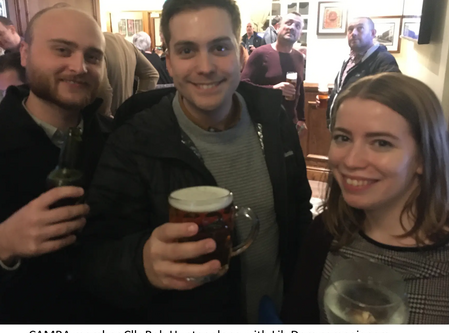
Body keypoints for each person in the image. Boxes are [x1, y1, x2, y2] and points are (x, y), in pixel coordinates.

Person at [80, 0, 311, 324]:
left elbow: (299, 209)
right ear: (169, 62)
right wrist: (140, 263)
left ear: (240, 54)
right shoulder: (134, 140)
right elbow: (93, 257)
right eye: (187, 51)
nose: (205, 66)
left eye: (219, 47)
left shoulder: (272, 117)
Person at [0, 6, 115, 323]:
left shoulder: (121, 141)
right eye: (62, 50)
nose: (79, 66)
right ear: (26, 53)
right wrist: (0, 244)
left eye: (93, 56)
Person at [281, 73, 449, 324]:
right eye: (343, 138)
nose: (351, 161)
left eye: (381, 143)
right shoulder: (325, 231)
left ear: (422, 157)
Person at [325, 17, 400, 126]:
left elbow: (392, 102)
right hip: (340, 127)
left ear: (373, 33)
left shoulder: (384, 61)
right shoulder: (350, 59)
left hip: (360, 133)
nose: (353, 33)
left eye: (360, 28)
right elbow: (340, 90)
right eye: (350, 29)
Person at [241, 12, 306, 127]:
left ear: (300, 33)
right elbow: (243, 87)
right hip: (262, 126)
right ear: (278, 27)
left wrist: (301, 118)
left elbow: (299, 88)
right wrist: (273, 89)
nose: (292, 27)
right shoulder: (260, 53)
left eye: (297, 26)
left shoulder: (299, 57)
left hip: (290, 126)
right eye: (289, 23)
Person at [96, 32, 159, 116]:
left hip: (101, 122)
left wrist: (106, 117)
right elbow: (151, 75)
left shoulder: (95, 45)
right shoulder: (127, 44)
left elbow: (103, 90)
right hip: (125, 118)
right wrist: (136, 106)